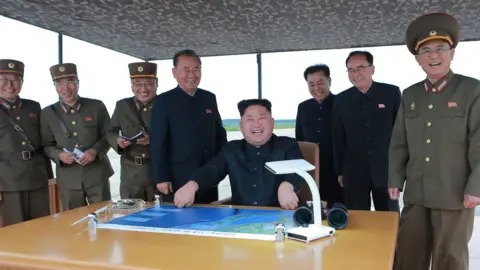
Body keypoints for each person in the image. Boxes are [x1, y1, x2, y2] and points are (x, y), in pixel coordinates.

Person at [389, 12, 480, 270]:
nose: (433, 56)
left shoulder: (472, 90)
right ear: (418, 59)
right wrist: (395, 179)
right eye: (426, 51)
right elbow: (399, 142)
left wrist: (476, 185)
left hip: (455, 194)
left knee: (449, 258)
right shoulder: (411, 94)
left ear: (452, 53)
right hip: (417, 193)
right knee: (408, 256)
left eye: (440, 48)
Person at [173, 99, 303, 209]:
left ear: (272, 122)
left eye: (262, 118)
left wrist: (287, 186)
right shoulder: (231, 149)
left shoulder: (287, 145)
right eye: (250, 119)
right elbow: (212, 169)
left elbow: (298, 170)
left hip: (281, 217)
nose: (256, 124)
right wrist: (192, 185)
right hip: (241, 221)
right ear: (241, 126)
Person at [149, 49, 227, 204]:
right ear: (174, 72)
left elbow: (219, 134)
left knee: (210, 218)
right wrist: (161, 177)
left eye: (196, 69)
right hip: (178, 178)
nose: (192, 75)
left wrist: (222, 166)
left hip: (208, 175)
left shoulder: (209, 98)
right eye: (186, 70)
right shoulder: (163, 101)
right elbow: (158, 143)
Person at [332, 50, 401, 211]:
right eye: (350, 69)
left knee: (388, 219)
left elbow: (401, 134)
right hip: (354, 172)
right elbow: (338, 138)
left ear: (372, 69)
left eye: (361, 67)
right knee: (357, 218)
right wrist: (340, 172)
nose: (355, 73)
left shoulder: (391, 93)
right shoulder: (342, 100)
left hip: (386, 171)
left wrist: (399, 172)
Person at [40, 63, 113, 211]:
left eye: (70, 82)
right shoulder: (48, 113)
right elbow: (46, 145)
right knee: (73, 223)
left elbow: (109, 135)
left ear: (77, 83)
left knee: (103, 218)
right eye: (59, 84)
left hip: (97, 175)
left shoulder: (96, 106)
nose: (65, 88)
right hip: (68, 178)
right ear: (55, 86)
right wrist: (59, 155)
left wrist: (94, 151)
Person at [0, 59, 53, 226]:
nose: (9, 85)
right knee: (15, 230)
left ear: (22, 82)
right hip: (8, 183)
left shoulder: (34, 108)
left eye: (15, 79)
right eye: (3, 79)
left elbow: (44, 143)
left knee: (41, 227)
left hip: (36, 178)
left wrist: (49, 176)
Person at [107, 62, 158, 201]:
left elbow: (178, 135)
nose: (143, 89)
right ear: (131, 86)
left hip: (159, 172)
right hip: (131, 174)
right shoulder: (122, 105)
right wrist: (117, 141)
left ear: (156, 83)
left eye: (148, 83)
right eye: (137, 84)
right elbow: (111, 131)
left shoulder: (166, 104)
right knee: (131, 217)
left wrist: (153, 140)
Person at [295, 64, 343, 208]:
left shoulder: (342, 103)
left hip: (337, 171)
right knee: (313, 209)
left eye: (320, 82)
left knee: (338, 209)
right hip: (312, 171)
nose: (316, 88)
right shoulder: (303, 107)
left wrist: (344, 171)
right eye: (311, 84)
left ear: (330, 81)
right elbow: (300, 140)